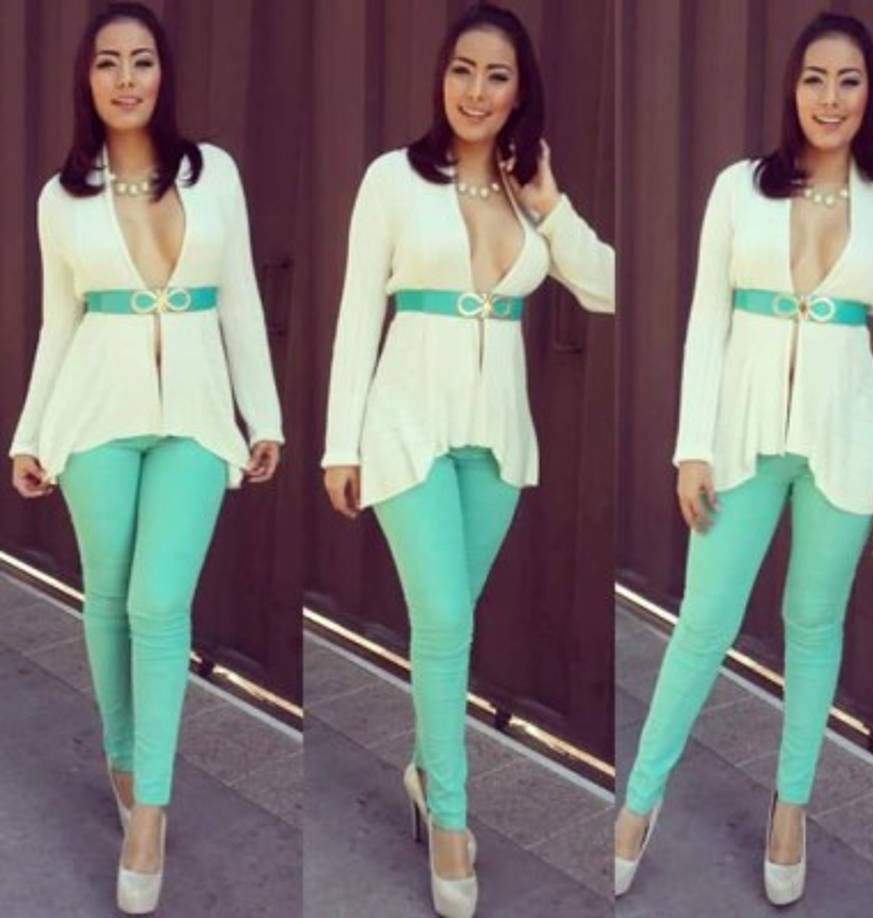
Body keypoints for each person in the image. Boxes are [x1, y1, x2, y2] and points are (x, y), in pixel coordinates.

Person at [614, 11, 873, 907]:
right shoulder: (739, 188)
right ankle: (638, 802)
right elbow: (707, 319)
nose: (831, 98)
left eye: (850, 81)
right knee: (704, 623)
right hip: (742, 440)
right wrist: (691, 448)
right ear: (792, 88)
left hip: (847, 444)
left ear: (872, 94)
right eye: (816, 79)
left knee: (814, 626)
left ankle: (792, 807)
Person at [321, 3, 614, 915]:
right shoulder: (393, 181)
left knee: (454, 625)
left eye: (496, 75)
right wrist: (340, 443)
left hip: (497, 442)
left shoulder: (529, 200)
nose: (475, 91)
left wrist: (550, 205)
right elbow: (354, 313)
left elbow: (605, 287)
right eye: (462, 69)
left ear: (521, 90)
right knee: (443, 618)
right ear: (440, 76)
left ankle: (421, 766)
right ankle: (449, 818)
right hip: (405, 423)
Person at [9, 3, 283, 912]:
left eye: (142, 61)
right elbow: (59, 324)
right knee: (111, 595)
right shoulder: (62, 197)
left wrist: (264, 416)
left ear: (164, 75)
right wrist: (32, 433)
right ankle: (122, 753)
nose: (126, 78)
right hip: (94, 416)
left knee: (161, 604)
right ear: (86, 82)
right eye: (107, 64)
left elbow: (238, 298)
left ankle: (150, 812)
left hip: (199, 420)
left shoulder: (216, 175)